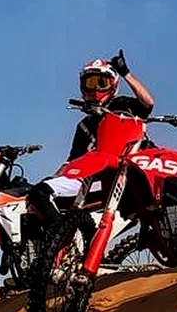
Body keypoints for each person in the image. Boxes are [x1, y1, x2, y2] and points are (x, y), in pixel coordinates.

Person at [27, 51, 155, 223]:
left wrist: (126, 74)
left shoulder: (123, 105)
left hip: (134, 169)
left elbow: (148, 103)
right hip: (97, 178)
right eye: (90, 83)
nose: (95, 89)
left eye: (101, 82)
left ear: (113, 86)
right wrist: (53, 178)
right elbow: (73, 162)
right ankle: (60, 231)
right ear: (82, 88)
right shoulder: (84, 126)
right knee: (39, 193)